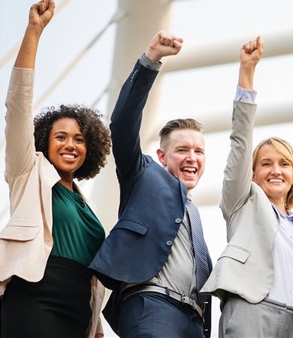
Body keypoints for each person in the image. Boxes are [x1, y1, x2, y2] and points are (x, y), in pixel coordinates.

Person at [0, 0, 111, 338]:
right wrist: (34, 31)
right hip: (34, 297)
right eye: (61, 136)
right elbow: (18, 105)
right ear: (44, 142)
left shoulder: (86, 206)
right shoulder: (27, 172)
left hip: (78, 308)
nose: (70, 145)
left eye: (79, 139)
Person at [88, 30, 212, 337]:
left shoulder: (193, 214)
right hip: (153, 306)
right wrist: (151, 60)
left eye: (199, 151)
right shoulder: (142, 174)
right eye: (182, 150)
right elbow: (123, 124)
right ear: (161, 156)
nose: (192, 158)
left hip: (194, 321)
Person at [200, 37, 293, 338]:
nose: (275, 170)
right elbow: (241, 141)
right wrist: (247, 72)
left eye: (284, 164)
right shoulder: (243, 203)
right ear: (253, 175)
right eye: (266, 164)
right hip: (252, 312)